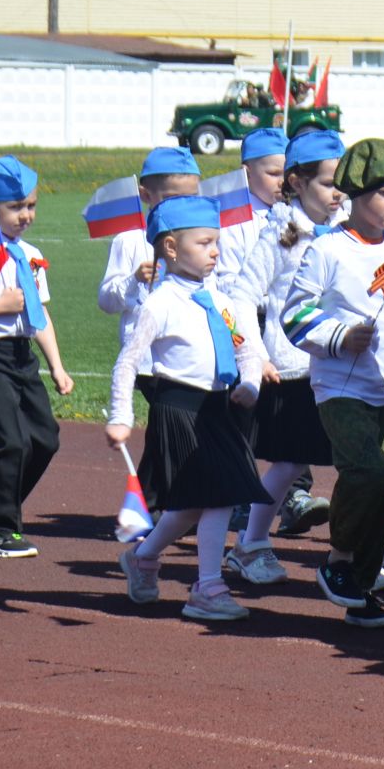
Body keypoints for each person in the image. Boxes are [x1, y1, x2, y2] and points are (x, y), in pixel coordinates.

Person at [283, 139, 384, 629]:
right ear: (355, 192)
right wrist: (340, 336)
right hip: (340, 389)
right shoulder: (327, 249)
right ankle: (338, 560)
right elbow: (295, 316)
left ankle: (361, 587)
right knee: (369, 473)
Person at [108, 196, 269, 622]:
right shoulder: (158, 304)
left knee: (193, 507)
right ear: (171, 249)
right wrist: (120, 416)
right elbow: (127, 362)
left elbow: (248, 349)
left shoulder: (222, 301)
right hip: (178, 410)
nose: (216, 250)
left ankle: (143, 557)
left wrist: (250, 384)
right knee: (217, 499)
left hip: (219, 411)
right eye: (204, 243)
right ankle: (207, 586)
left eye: (216, 241)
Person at [224, 130, 346, 586]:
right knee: (293, 463)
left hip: (344, 362)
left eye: (344, 184)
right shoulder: (282, 232)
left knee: (359, 457)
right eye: (330, 183)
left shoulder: (349, 225)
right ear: (297, 183)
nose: (339, 194)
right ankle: (250, 543)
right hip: (296, 367)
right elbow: (241, 297)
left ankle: (361, 551)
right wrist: (254, 356)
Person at [0, 155, 74, 559]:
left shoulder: (31, 253)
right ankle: (1, 530)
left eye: (31, 205)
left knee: (45, 439)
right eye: (15, 207)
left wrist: (56, 365)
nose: (26, 215)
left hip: (23, 358)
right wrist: (0, 305)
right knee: (12, 441)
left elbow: (39, 315)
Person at [99, 148, 203, 367]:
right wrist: (134, 279)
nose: (182, 206)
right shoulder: (129, 240)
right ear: (146, 195)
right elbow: (106, 301)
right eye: (172, 198)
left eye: (191, 197)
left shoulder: (202, 237)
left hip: (190, 350)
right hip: (147, 357)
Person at [213, 127, 288, 295]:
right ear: (247, 173)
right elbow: (226, 279)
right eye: (274, 174)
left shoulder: (295, 212)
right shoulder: (234, 220)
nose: (283, 182)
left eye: (287, 173)